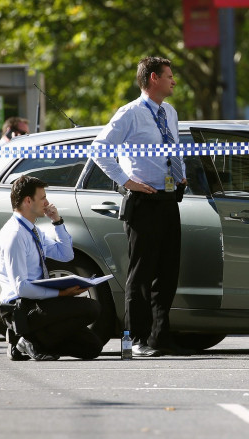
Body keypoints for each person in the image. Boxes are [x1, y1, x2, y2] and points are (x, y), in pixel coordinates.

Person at [91, 56, 191, 357]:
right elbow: (99, 149)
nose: (173, 81)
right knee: (142, 274)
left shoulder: (169, 112)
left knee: (168, 273)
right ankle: (137, 339)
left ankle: (160, 337)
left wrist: (181, 173)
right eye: (168, 76)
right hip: (143, 202)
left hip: (168, 200)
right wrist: (126, 180)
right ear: (151, 79)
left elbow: (172, 148)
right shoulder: (130, 114)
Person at [0, 176, 102, 361]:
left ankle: (24, 342)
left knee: (91, 348)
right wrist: (62, 294)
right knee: (91, 308)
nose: (47, 202)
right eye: (42, 197)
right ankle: (25, 338)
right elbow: (22, 287)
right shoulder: (14, 234)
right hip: (19, 307)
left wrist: (57, 221)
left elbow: (65, 254)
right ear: (28, 201)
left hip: (38, 304)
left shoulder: (33, 230)